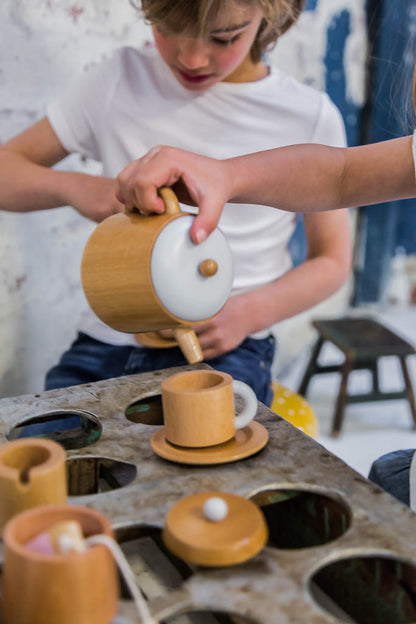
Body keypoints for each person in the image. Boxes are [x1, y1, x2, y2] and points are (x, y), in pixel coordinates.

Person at [0, 0, 352, 408]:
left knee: (208, 452)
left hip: (226, 348)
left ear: (272, 12)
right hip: (109, 339)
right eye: (166, 28)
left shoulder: (308, 116)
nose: (191, 57)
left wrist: (250, 313)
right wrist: (77, 188)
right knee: (52, 448)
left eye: (224, 37)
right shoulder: (117, 79)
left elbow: (331, 260)